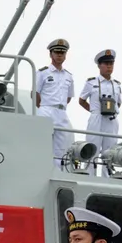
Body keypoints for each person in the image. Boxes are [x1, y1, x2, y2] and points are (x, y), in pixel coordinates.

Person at [78, 50, 122, 176]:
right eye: (106, 64)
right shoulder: (91, 82)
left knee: (110, 150)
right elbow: (81, 100)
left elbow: (118, 103)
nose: (109, 66)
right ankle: (90, 175)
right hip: (97, 117)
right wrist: (93, 110)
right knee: (92, 147)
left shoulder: (116, 85)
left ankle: (107, 176)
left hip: (111, 119)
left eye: (111, 64)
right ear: (99, 65)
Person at [34, 38, 75, 168]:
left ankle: (57, 172)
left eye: (62, 53)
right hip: (46, 110)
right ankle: (40, 169)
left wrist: (59, 107)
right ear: (51, 54)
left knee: (61, 148)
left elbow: (69, 97)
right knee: (42, 144)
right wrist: (43, 107)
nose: (59, 55)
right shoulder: (43, 73)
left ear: (65, 55)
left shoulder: (68, 76)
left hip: (61, 112)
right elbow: (34, 93)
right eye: (56, 52)